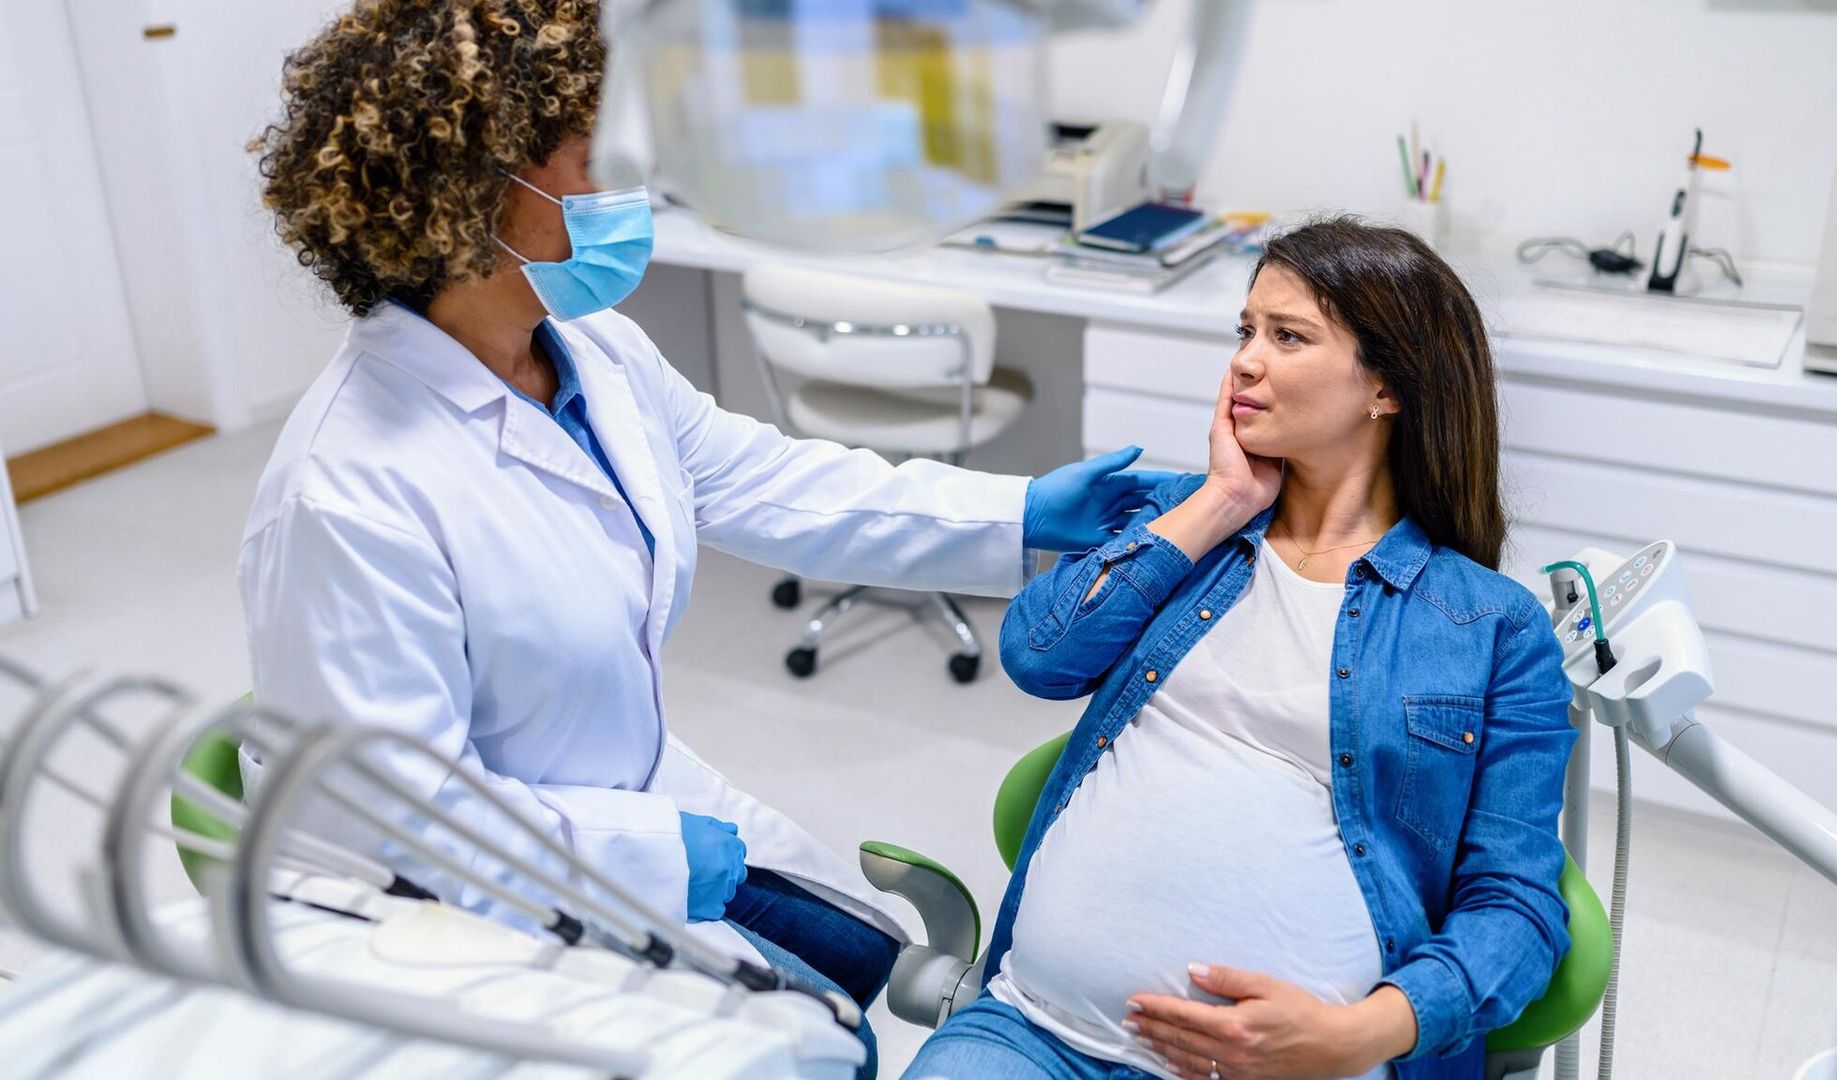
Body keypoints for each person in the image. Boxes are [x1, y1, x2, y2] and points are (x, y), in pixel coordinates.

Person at [237, 3, 1169, 1075]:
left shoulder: (592, 352)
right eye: (602, 157)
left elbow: (767, 480)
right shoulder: (348, 493)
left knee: (859, 963)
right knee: (817, 1050)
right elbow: (406, 824)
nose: (639, 182)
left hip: (623, 783)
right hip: (458, 908)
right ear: (470, 197)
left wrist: (1020, 515)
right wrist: (642, 856)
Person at [902, 218, 1579, 1080]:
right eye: (1246, 331)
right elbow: (1039, 655)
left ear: (1389, 388)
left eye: (1288, 336)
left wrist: (1357, 1035)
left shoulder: (1492, 626)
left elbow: (1517, 908)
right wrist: (1222, 500)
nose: (1246, 362)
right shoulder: (1190, 523)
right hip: (1033, 1033)